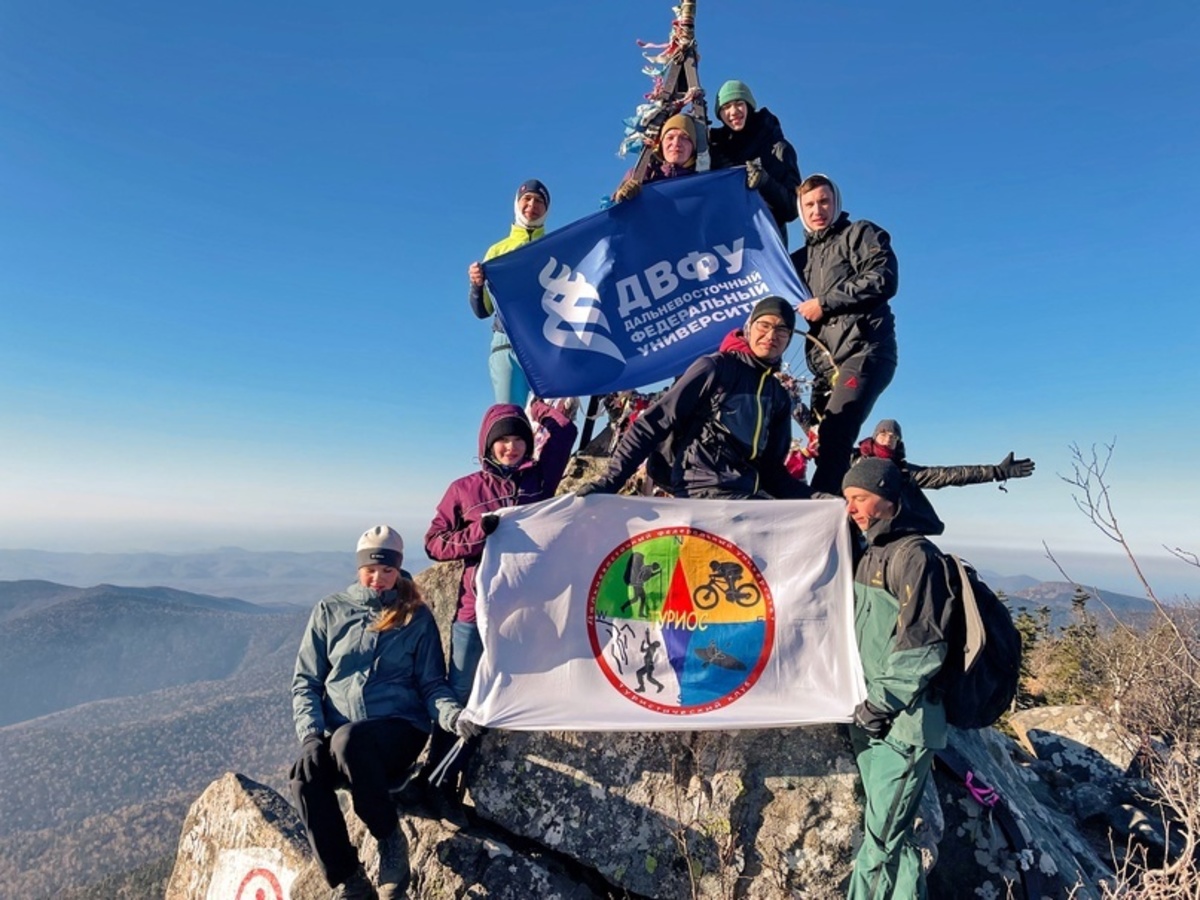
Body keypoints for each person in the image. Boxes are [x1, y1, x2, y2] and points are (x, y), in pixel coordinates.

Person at [290, 526, 479, 900]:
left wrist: (453, 717)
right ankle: (350, 879)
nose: (378, 578)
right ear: (358, 567)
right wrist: (311, 736)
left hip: (398, 733)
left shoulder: (414, 617)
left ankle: (389, 839)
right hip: (343, 739)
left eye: (387, 570)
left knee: (348, 740)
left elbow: (431, 685)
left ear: (398, 569)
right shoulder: (330, 611)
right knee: (304, 777)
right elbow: (306, 682)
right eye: (370, 570)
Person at [422, 400, 578, 802]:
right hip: (474, 611)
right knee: (460, 693)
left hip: (524, 612)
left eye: (518, 440)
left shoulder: (539, 480)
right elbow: (434, 543)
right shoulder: (463, 489)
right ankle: (436, 782)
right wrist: (478, 535)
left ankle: (464, 783)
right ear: (488, 445)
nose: (511, 447)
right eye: (502, 441)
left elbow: (565, 433)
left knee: (505, 691)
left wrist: (541, 410)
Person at [841, 458, 954, 900]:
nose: (851, 508)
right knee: (893, 835)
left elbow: (924, 645)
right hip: (872, 717)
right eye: (848, 498)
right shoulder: (871, 551)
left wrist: (880, 703)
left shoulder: (916, 556)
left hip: (903, 724)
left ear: (888, 498)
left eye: (860, 498)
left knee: (880, 844)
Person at [577, 296, 812, 500]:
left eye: (782, 330)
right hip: (700, 490)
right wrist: (610, 482)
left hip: (744, 494)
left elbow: (772, 472)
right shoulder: (716, 368)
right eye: (764, 325)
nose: (771, 335)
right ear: (749, 328)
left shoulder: (778, 396)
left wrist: (821, 500)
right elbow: (652, 423)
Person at [792, 174, 899, 496]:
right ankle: (847, 510)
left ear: (836, 202)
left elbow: (883, 277)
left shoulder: (859, 233)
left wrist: (824, 303)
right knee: (820, 441)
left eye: (824, 201)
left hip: (866, 351)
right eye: (809, 205)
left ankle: (819, 514)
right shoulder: (799, 260)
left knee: (835, 437)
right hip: (825, 367)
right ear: (800, 210)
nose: (817, 210)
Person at [469, 179, 552, 406]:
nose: (532, 205)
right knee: (511, 417)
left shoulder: (555, 247)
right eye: (527, 198)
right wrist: (476, 284)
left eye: (539, 201)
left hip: (547, 341)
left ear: (547, 209)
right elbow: (482, 310)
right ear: (517, 203)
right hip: (506, 343)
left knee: (553, 415)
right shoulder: (497, 250)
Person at [709, 79, 802, 246]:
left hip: (767, 244)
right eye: (726, 107)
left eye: (739, 103)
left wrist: (765, 182)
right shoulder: (716, 150)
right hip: (729, 243)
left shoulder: (777, 148)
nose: (733, 111)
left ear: (749, 106)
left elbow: (793, 208)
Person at [855, 418, 1036, 491]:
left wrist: (997, 472)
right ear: (875, 436)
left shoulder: (903, 473)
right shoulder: (852, 459)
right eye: (883, 434)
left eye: (893, 436)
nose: (888, 439)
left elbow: (949, 475)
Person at [613, 113, 698, 203]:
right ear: (661, 145)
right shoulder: (639, 175)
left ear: (693, 146)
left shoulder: (704, 179)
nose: (676, 143)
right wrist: (620, 198)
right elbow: (612, 209)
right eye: (670, 137)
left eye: (684, 137)